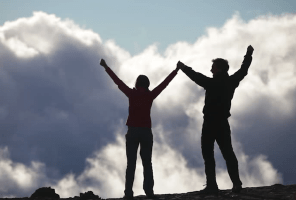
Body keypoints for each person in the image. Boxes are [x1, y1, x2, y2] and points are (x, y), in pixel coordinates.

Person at [177, 45, 254, 194]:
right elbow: (244, 70)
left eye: (213, 68)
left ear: (218, 69)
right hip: (223, 124)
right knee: (228, 153)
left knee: (208, 153)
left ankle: (212, 185)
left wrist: (183, 67)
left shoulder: (211, 83)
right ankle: (236, 183)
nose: (211, 70)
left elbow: (196, 76)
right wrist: (248, 54)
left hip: (209, 123)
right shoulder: (231, 81)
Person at [100, 59, 181, 199]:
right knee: (147, 162)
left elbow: (117, 81)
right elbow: (164, 84)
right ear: (147, 85)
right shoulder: (150, 95)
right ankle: (149, 191)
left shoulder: (132, 94)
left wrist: (106, 67)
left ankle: (128, 193)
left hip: (132, 132)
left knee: (131, 163)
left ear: (137, 84)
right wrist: (175, 71)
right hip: (146, 132)